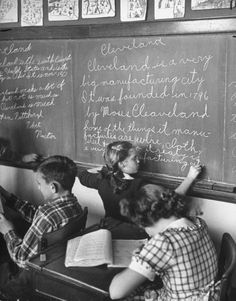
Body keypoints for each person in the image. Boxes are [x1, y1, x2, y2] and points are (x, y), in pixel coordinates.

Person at [109, 183, 219, 301]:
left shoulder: (164, 242)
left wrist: (140, 259)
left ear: (145, 221)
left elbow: (115, 292)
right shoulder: (198, 223)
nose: (148, 234)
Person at [0, 155, 84, 300]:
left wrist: (8, 231)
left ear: (53, 187)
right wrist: (8, 197)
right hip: (55, 261)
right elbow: (37, 215)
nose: (38, 187)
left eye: (39, 183)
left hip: (33, 275)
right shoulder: (75, 205)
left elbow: (20, 258)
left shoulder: (46, 215)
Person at [78, 141, 202, 222]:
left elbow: (83, 175)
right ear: (122, 163)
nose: (139, 161)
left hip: (109, 231)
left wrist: (108, 167)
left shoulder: (101, 179)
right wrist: (190, 177)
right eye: (134, 158)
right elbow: (172, 199)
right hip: (134, 235)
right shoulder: (139, 186)